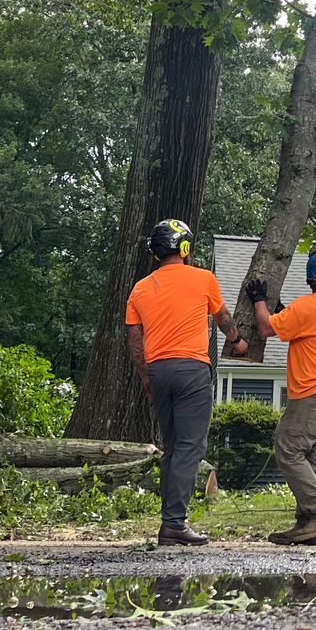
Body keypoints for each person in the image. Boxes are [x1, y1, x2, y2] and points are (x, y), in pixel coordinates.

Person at [126, 217, 248, 546]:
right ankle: (175, 523)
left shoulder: (139, 288)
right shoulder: (203, 279)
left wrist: (145, 376)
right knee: (191, 447)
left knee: (171, 448)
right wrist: (237, 341)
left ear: (155, 253)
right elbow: (222, 318)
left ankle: (170, 520)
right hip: (191, 370)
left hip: (158, 372)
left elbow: (135, 341)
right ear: (184, 248)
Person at [245, 246, 316, 546]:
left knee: (288, 450)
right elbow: (302, 326)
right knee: (313, 458)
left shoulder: (306, 307)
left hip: (311, 395)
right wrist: (281, 310)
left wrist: (259, 301)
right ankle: (308, 525)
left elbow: (266, 329)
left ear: (311, 279)